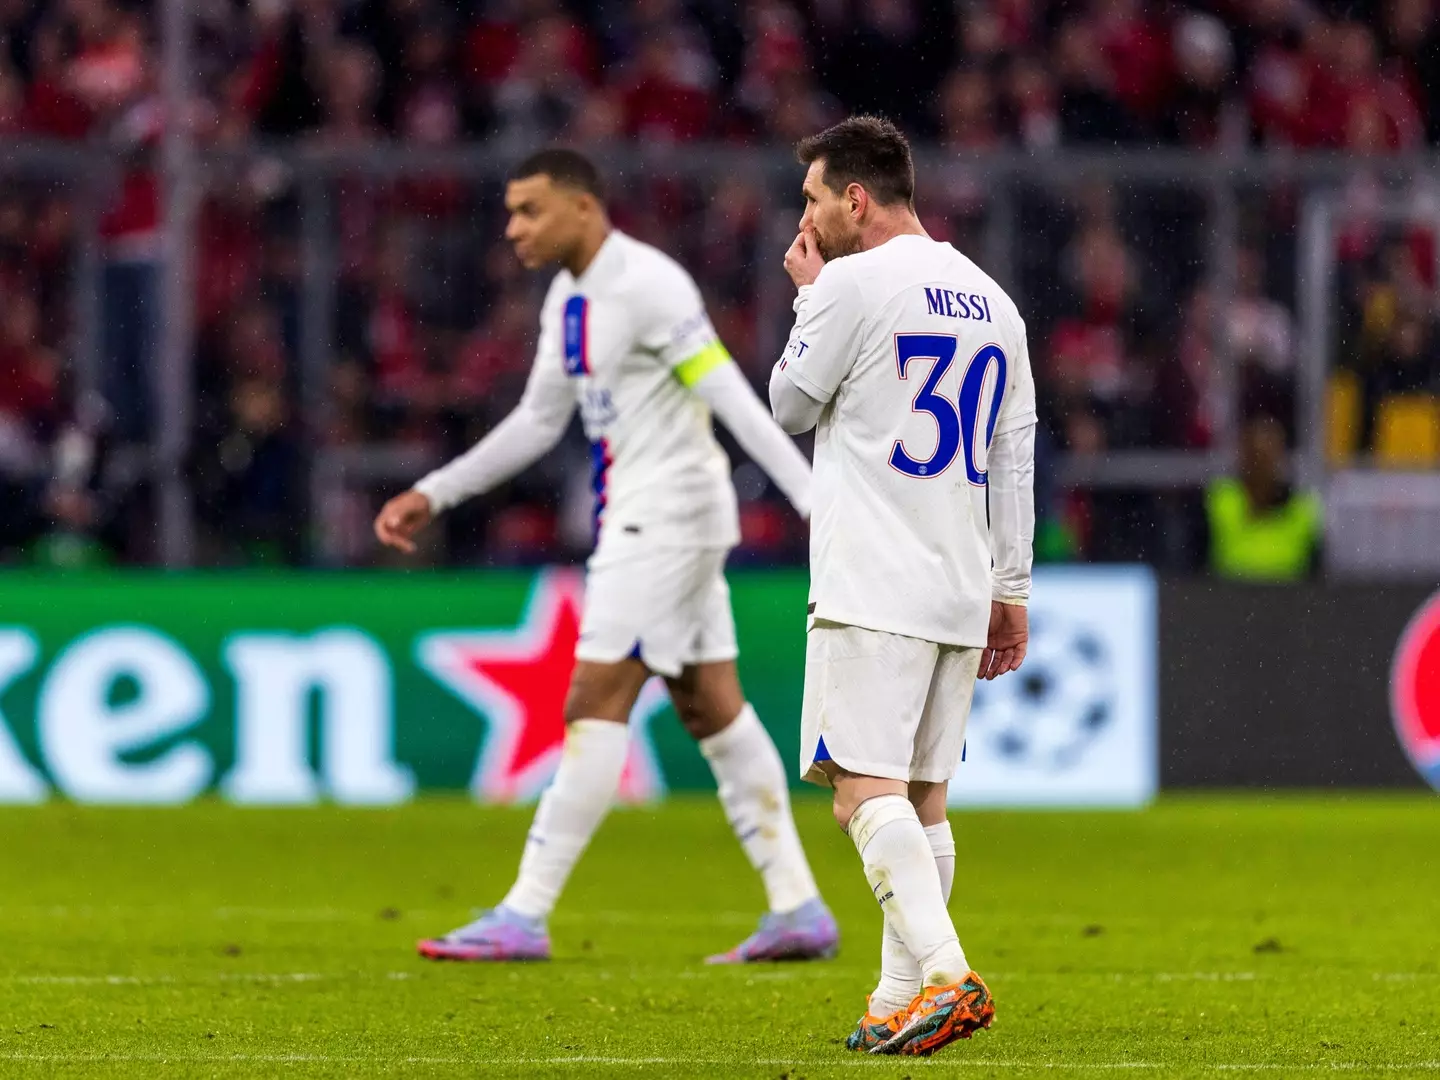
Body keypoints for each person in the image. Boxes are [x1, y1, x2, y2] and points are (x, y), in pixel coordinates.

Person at [374, 149, 838, 964]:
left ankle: (524, 911)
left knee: (593, 699)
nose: (514, 226)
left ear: (583, 209)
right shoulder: (570, 298)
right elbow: (536, 421)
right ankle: (798, 906)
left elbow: (731, 395)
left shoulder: (649, 287)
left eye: (530, 210)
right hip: (658, 522)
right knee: (712, 710)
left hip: (663, 523)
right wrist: (436, 492)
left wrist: (814, 503)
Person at [768, 116, 1037, 1055]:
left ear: (855, 197)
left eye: (810, 198)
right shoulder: (995, 301)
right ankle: (893, 1000)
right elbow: (1013, 456)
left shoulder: (848, 282)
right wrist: (1013, 588)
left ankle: (947, 976)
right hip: (958, 582)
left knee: (859, 792)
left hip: (872, 581)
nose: (801, 219)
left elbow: (792, 406)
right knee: (923, 803)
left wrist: (806, 299)